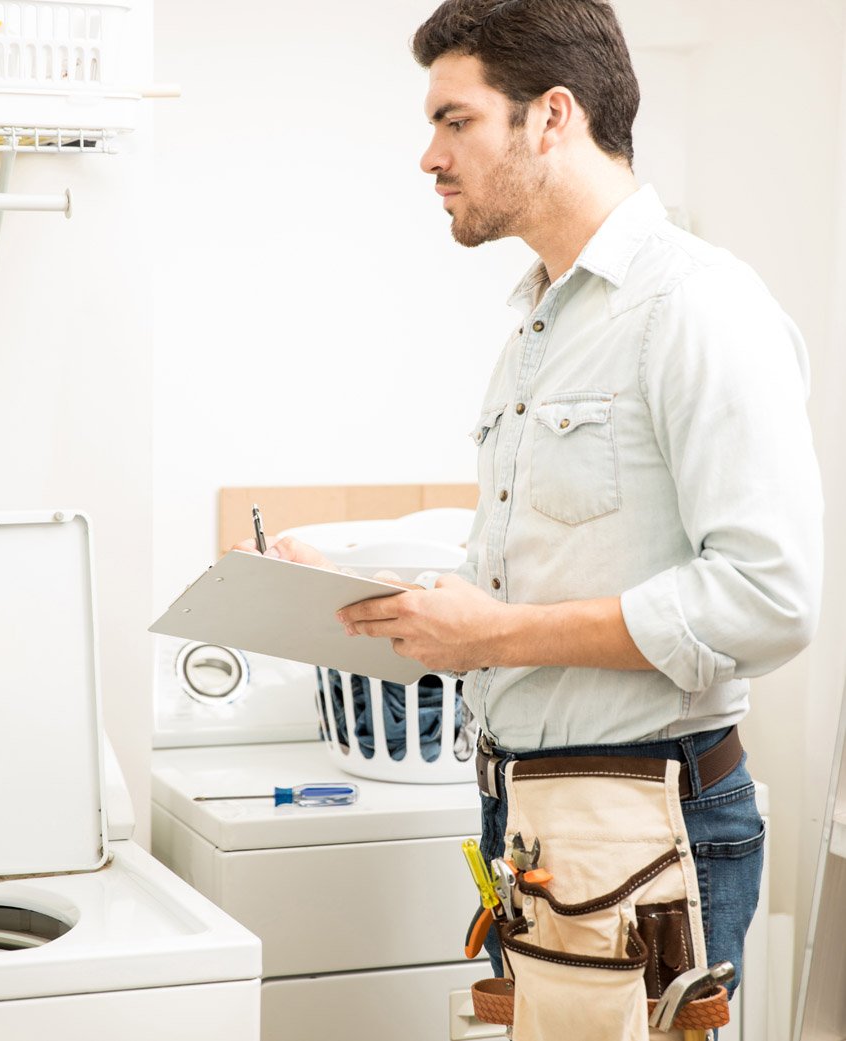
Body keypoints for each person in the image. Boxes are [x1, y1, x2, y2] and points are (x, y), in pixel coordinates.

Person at [241, 0, 823, 1008]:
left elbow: (768, 598)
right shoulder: (538, 324)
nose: (429, 156)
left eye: (454, 120)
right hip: (530, 811)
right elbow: (549, 564)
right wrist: (409, 599)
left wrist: (500, 634)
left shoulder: (695, 307)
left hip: (646, 813)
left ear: (551, 117)